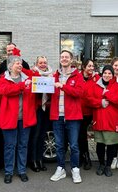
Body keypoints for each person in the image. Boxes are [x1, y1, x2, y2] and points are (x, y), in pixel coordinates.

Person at [0, 55, 37, 184]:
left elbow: (36, 93)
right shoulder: (4, 79)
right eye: (17, 63)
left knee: (23, 145)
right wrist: (22, 86)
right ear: (10, 66)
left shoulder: (28, 79)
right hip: (9, 119)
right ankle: (8, 172)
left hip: (25, 119)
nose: (20, 65)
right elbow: (5, 91)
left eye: (20, 63)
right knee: (10, 146)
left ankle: (22, 171)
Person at [49, 50, 85, 184]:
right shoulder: (54, 76)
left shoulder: (78, 76)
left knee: (74, 145)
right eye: (62, 57)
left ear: (71, 60)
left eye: (66, 57)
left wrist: (63, 86)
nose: (64, 59)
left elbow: (79, 92)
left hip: (73, 116)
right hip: (57, 115)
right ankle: (61, 168)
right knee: (59, 145)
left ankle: (75, 169)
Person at [86, 65, 118, 177]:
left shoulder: (117, 87)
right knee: (100, 144)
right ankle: (101, 164)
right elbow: (89, 100)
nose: (107, 75)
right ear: (102, 74)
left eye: (109, 73)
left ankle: (108, 166)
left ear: (113, 75)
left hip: (112, 121)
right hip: (99, 119)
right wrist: (100, 102)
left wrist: (107, 93)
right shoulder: (95, 86)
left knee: (111, 145)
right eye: (105, 73)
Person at [27, 56, 53, 172]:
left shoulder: (51, 75)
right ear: (36, 64)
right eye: (40, 63)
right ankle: (33, 160)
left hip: (46, 109)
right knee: (35, 135)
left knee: (43, 135)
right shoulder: (33, 74)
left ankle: (40, 159)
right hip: (37, 108)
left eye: (44, 63)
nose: (43, 64)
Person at [79, 59, 99, 170]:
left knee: (82, 134)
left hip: (90, 111)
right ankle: (84, 157)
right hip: (78, 111)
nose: (91, 68)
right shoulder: (78, 77)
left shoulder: (96, 79)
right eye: (89, 66)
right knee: (80, 135)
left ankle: (86, 158)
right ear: (83, 67)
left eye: (93, 66)